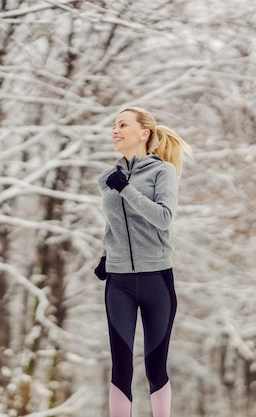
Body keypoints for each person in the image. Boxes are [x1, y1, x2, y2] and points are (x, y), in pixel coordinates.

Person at [94, 107, 192, 417]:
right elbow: (113, 222)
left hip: (156, 281)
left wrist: (126, 190)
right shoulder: (107, 177)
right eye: (113, 125)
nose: (115, 130)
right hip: (118, 281)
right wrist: (105, 254)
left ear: (144, 133)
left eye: (122, 124)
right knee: (121, 367)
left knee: (154, 368)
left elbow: (163, 218)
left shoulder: (162, 172)